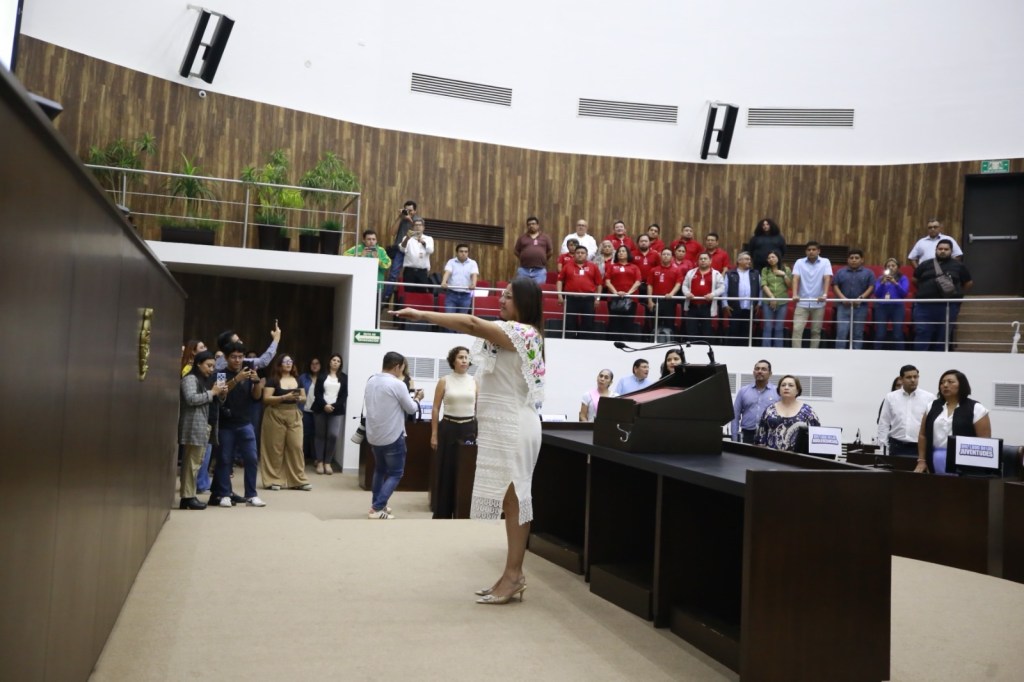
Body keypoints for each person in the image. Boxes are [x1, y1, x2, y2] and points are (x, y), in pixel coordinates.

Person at [392, 278, 546, 605]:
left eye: (508, 296)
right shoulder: (506, 332)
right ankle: (511, 573)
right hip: (501, 425)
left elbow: (472, 323)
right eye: (501, 295)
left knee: (516, 499)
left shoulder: (525, 333)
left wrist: (423, 314)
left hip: (516, 425)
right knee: (509, 501)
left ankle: (514, 575)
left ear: (525, 302)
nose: (501, 300)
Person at [363, 351, 421, 518]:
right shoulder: (397, 384)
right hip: (392, 435)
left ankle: (378, 503)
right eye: (402, 367)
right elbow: (411, 409)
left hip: (374, 435)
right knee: (396, 473)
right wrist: (417, 398)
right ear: (397, 367)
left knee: (380, 470)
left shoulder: (371, 380)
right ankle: (377, 508)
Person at [210, 343, 266, 508]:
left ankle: (251, 495)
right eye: (234, 357)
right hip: (226, 423)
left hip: (245, 422)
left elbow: (256, 397)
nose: (237, 360)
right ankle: (224, 494)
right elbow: (221, 394)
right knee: (224, 459)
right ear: (227, 358)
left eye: (240, 357)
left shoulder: (248, 373)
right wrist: (237, 379)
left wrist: (256, 382)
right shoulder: (221, 374)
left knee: (251, 458)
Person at [430, 346, 478, 519]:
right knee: (446, 470)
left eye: (466, 357)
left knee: (466, 470)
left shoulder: (474, 381)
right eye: (460, 357)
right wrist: (434, 434)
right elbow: (435, 408)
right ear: (453, 361)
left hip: (468, 428)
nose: (464, 360)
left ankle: (463, 511)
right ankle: (443, 512)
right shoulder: (445, 380)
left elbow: (478, 408)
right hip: (448, 428)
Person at [915, 370, 991, 474]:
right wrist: (922, 460)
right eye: (942, 382)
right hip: (934, 458)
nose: (945, 385)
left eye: (950, 382)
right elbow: (923, 435)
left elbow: (984, 441)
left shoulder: (976, 408)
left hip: (965, 462)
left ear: (962, 385)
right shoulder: (932, 406)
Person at [178, 350, 227, 510]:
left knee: (197, 463)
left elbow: (214, 401)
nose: (211, 369)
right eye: (208, 365)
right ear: (198, 364)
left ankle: (190, 495)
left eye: (213, 366)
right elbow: (191, 398)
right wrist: (213, 392)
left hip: (205, 425)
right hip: (194, 425)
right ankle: (187, 497)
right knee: (191, 463)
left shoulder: (206, 380)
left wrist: (221, 394)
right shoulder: (190, 378)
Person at [259, 354, 311, 491]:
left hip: (293, 413)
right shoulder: (273, 380)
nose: (288, 363)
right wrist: (284, 397)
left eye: (290, 361)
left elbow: (304, 397)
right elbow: (266, 399)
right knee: (275, 448)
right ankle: (274, 480)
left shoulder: (297, 379)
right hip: (275, 413)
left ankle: (298, 480)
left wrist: (299, 398)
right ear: (279, 364)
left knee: (296, 446)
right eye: (285, 361)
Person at [913, 239, 973, 352]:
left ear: (951, 251)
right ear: (936, 250)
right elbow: (915, 279)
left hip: (947, 306)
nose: (943, 251)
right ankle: (919, 359)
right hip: (924, 306)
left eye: (946, 249)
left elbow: (968, 283)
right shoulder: (925, 264)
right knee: (922, 333)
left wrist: (958, 295)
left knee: (943, 336)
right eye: (940, 249)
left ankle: (940, 360)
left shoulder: (958, 266)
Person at [877, 364, 935, 457]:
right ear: (901, 379)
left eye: (915, 377)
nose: (913, 380)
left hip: (920, 447)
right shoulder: (891, 397)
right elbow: (884, 423)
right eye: (909, 377)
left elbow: (933, 424)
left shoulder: (929, 398)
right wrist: (883, 447)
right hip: (896, 446)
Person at [755, 375, 821, 451]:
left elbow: (816, 437)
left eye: (791, 385)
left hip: (799, 456)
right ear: (779, 390)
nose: (786, 387)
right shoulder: (770, 410)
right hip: (772, 456)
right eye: (783, 385)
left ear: (797, 390)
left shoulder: (808, 411)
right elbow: (760, 436)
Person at [791, 241, 832, 349]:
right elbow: (795, 278)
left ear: (819, 251)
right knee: (797, 329)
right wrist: (794, 294)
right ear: (806, 251)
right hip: (801, 302)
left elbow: (827, 278)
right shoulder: (799, 262)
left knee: (816, 331)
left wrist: (825, 294)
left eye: (814, 249)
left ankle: (813, 354)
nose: (811, 252)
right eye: (809, 250)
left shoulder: (825, 262)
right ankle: (795, 354)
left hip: (818, 303)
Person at [556, 244, 602, 339]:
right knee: (570, 322)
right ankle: (570, 341)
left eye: (582, 253)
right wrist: (560, 295)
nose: (580, 254)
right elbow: (559, 281)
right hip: (571, 299)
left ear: (586, 255)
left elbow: (599, 284)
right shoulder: (567, 266)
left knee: (588, 323)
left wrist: (597, 298)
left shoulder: (593, 266)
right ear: (574, 255)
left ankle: (585, 342)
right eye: (578, 253)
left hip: (588, 299)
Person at [312, 353, 348, 474]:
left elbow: (344, 395)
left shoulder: (344, 377)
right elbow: (317, 393)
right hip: (320, 408)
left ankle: (328, 462)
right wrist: (325, 405)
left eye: (338, 361)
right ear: (330, 362)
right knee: (320, 435)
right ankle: (320, 462)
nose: (335, 362)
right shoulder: (322, 376)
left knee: (333, 435)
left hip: (336, 410)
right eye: (334, 360)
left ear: (340, 364)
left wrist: (333, 406)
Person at [832, 248, 875, 349]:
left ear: (862, 260)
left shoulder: (869, 273)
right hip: (843, 306)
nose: (854, 260)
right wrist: (843, 299)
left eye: (856, 258)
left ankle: (857, 355)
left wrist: (860, 298)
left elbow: (871, 287)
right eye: (851, 258)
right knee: (841, 333)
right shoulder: (840, 272)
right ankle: (839, 355)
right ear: (848, 260)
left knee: (858, 334)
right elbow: (835, 285)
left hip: (861, 307)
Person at [731, 360, 779, 444]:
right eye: (757, 369)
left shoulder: (777, 392)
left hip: (770, 434)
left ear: (770, 373)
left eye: (763, 369)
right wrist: (734, 439)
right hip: (747, 435)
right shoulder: (743, 391)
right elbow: (735, 416)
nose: (759, 371)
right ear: (753, 372)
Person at [682, 253, 725, 342]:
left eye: (705, 259)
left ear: (710, 261)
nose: (703, 260)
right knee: (691, 332)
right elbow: (684, 285)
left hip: (707, 308)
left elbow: (722, 288)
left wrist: (713, 294)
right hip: (692, 307)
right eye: (701, 259)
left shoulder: (716, 274)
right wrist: (687, 293)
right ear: (698, 261)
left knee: (707, 333)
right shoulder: (691, 273)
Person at [721, 251, 760, 346]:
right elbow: (724, 290)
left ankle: (746, 351)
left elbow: (760, 290)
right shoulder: (730, 273)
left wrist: (759, 303)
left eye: (749, 259)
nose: (749, 261)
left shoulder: (755, 273)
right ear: (739, 261)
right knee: (734, 331)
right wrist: (725, 304)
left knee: (747, 332)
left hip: (750, 308)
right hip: (734, 308)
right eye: (746, 259)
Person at [383, 200, 419, 302]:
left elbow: (419, 233)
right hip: (400, 250)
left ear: (415, 211)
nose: (408, 212)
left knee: (411, 276)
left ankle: (409, 300)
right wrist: (400, 217)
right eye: (406, 210)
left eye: (410, 210)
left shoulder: (418, 220)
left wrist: (409, 219)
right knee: (393, 275)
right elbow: (392, 233)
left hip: (412, 251)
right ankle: (385, 299)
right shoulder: (402, 219)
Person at [604, 245, 642, 339]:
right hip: (614, 299)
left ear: (628, 253)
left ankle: (626, 343)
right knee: (614, 323)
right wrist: (616, 293)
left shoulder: (634, 267)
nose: (621, 253)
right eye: (619, 251)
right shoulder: (612, 266)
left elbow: (638, 282)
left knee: (628, 323)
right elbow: (607, 282)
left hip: (630, 300)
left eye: (623, 251)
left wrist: (628, 293)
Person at [873, 257, 911, 350]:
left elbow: (904, 293)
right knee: (880, 334)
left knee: (898, 334)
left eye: (893, 266)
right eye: (888, 266)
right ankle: (876, 353)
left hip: (897, 307)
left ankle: (900, 354)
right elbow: (877, 294)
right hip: (882, 307)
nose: (890, 267)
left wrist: (895, 283)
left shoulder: (903, 278)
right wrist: (882, 283)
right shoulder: (880, 279)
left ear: (898, 267)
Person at [646, 247, 683, 342]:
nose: (666, 256)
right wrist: (650, 300)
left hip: (669, 301)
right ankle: (653, 342)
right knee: (654, 324)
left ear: (672, 257)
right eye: (664, 254)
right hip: (656, 301)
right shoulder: (653, 270)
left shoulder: (676, 270)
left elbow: (678, 284)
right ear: (661, 256)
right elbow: (649, 285)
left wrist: (671, 294)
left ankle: (670, 342)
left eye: (668, 254)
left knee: (669, 323)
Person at [214, 322, 281, 371]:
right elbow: (263, 362)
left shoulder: (218, 361)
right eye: (237, 341)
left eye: (240, 340)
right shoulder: (223, 365)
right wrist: (276, 339)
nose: (241, 343)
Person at [760, 251, 791, 347]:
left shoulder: (786, 269)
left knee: (779, 327)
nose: (771, 259)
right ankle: (766, 349)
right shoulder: (765, 270)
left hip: (782, 302)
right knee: (767, 326)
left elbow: (789, 285)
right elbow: (763, 285)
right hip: (768, 301)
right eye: (769, 258)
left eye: (773, 257)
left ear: (778, 258)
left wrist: (784, 275)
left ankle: (778, 349)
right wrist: (772, 297)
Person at [440, 243, 479, 317]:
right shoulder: (451, 262)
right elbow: (447, 272)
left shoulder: (473, 263)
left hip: (465, 295)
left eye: (466, 251)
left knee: (462, 320)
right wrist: (444, 282)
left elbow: (474, 274)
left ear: (468, 253)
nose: (463, 253)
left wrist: (473, 284)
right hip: (451, 294)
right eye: (461, 251)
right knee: (449, 318)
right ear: (457, 252)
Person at [398, 216, 434, 294]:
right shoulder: (407, 238)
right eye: (416, 225)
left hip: (422, 272)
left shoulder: (428, 238)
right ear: (412, 227)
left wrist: (423, 242)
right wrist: (407, 238)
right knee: (408, 293)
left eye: (420, 225)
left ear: (423, 227)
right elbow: (402, 249)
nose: (418, 227)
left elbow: (430, 250)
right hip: (409, 271)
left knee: (422, 294)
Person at [514, 216, 553, 286]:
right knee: (521, 289)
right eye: (529, 224)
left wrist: (544, 259)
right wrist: (523, 257)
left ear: (538, 225)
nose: (531, 226)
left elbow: (550, 251)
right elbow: (516, 251)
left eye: (533, 224)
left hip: (539, 271)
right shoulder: (522, 238)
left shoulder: (545, 237)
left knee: (538, 290)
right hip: (524, 270)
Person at [298, 357, 320, 461]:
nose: (314, 365)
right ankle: (303, 457)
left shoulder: (324, 377)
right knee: (305, 434)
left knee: (317, 434)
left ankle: (316, 458)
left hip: (318, 411)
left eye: (317, 363)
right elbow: (298, 392)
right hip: (305, 410)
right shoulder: (303, 377)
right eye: (312, 363)